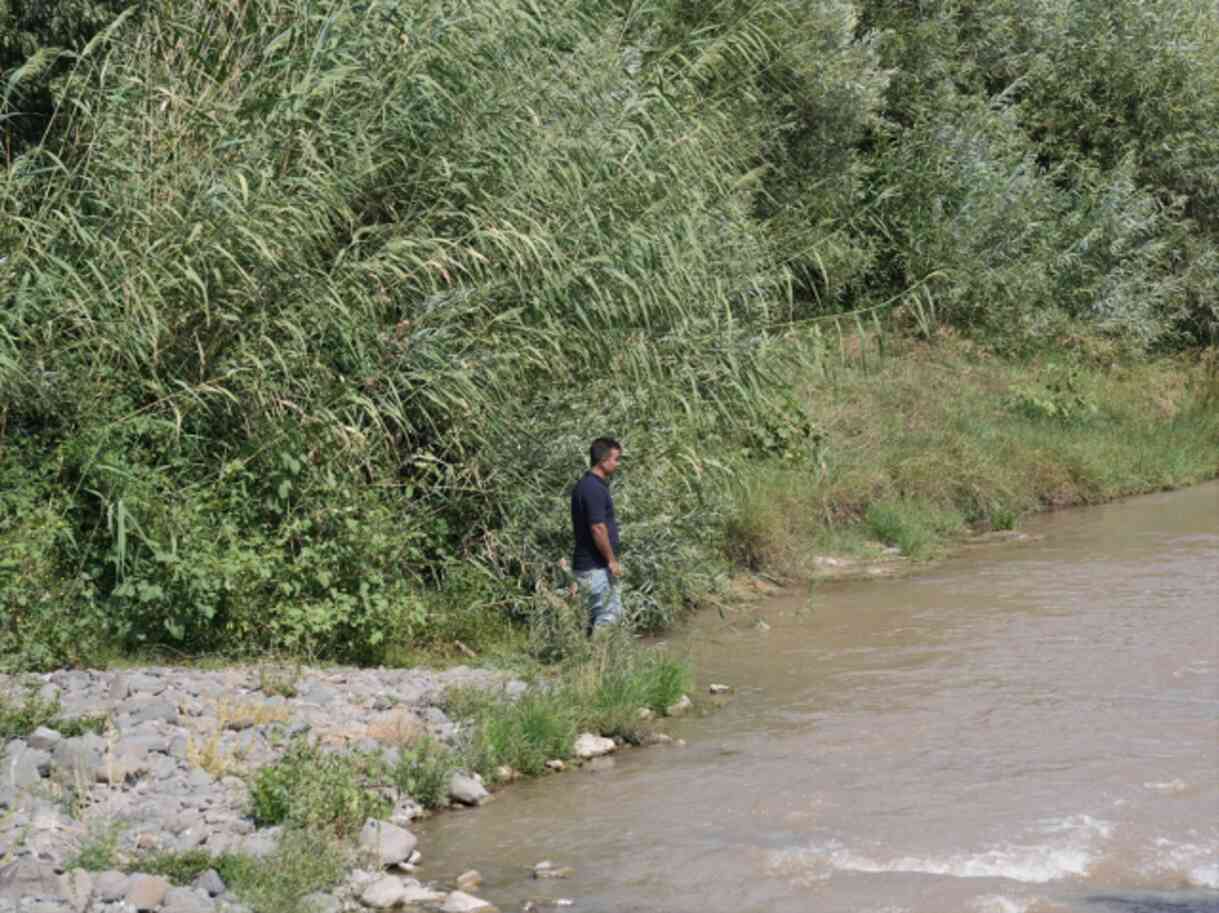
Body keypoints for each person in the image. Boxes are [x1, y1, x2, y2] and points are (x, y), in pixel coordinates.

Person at [570, 437, 623, 633]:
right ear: (603, 460)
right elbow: (598, 528)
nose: (618, 464)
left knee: (596, 619)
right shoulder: (592, 488)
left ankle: (592, 660)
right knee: (608, 617)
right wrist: (611, 560)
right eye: (616, 459)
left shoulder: (589, 485)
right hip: (595, 567)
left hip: (592, 567)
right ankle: (600, 662)